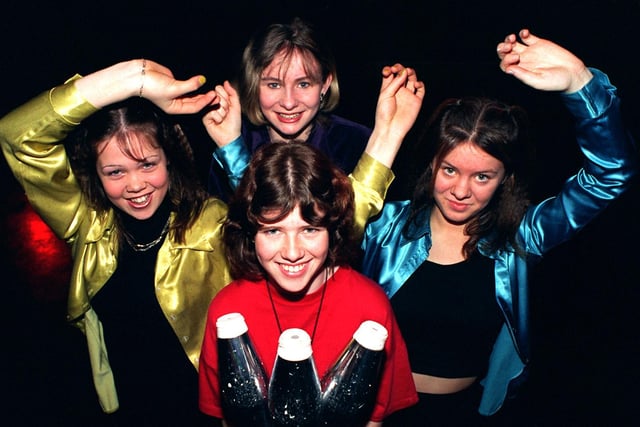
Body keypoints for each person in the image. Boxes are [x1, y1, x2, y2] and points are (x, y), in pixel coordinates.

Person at [0, 56, 423, 424]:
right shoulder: (86, 224)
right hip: (121, 407)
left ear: (170, 158)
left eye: (148, 164)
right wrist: (136, 79)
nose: (135, 185)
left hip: (209, 411)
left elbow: (307, 221)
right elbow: (18, 136)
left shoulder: (211, 224)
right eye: (115, 172)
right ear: (97, 176)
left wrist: (388, 137)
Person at [359, 29, 638, 426]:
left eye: (482, 177)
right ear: (431, 166)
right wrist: (387, 133)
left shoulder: (522, 237)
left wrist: (579, 81)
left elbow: (611, 175)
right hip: (371, 412)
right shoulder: (384, 226)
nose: (460, 190)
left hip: (465, 414)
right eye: (450, 169)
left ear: (505, 178)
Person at [198, 141, 419, 426]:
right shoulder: (227, 309)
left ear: (333, 228)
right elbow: (227, 418)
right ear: (251, 233)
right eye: (273, 230)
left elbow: (373, 419)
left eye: (310, 229)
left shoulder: (370, 307)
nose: (292, 252)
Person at [205, 17, 372, 201]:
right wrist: (233, 150)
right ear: (254, 85)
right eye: (274, 85)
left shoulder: (355, 143)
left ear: (324, 85)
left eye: (303, 84)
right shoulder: (234, 142)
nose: (289, 102)